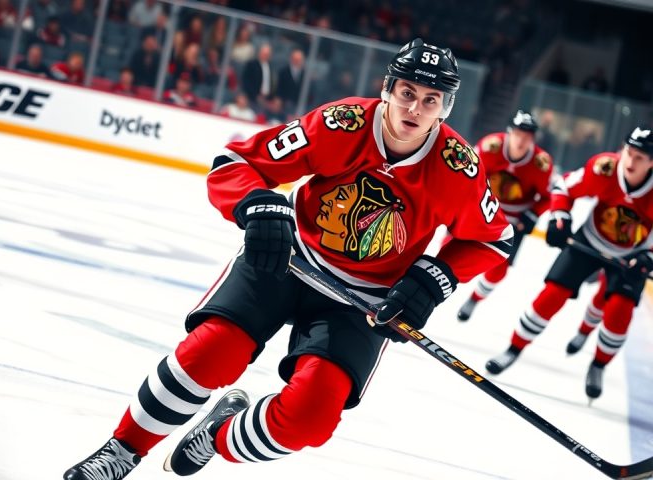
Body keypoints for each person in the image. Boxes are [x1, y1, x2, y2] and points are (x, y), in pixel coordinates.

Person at [63, 38, 514, 480]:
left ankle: (217, 435)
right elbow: (235, 164)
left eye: (430, 100)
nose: (414, 108)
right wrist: (255, 203)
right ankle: (121, 452)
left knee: (310, 418)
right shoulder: (341, 124)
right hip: (288, 259)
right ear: (387, 89)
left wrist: (434, 278)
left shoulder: (458, 168)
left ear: (446, 107)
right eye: (407, 93)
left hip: (362, 300)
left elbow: (495, 240)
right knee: (209, 353)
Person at [485, 126, 653, 400]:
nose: (630, 161)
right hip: (590, 240)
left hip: (632, 254)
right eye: (628, 152)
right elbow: (564, 186)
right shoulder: (605, 168)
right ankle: (513, 348)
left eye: (640, 157)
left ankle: (598, 365)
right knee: (551, 295)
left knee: (619, 312)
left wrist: (648, 257)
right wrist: (560, 216)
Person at [457, 110, 553, 321]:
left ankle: (475, 298)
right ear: (509, 132)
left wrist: (532, 215)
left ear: (533, 138)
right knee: (452, 243)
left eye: (527, 136)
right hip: (483, 209)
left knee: (499, 269)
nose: (521, 141)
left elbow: (548, 197)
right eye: (517, 134)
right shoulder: (489, 146)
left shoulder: (541, 163)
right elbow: (469, 175)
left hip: (514, 222)